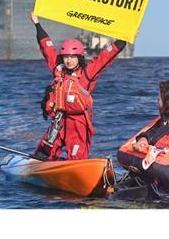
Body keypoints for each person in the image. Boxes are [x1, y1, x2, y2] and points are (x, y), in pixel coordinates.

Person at [30, 12, 126, 160]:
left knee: (76, 158)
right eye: (66, 57)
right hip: (59, 122)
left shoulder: (87, 73)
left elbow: (105, 57)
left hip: (78, 124)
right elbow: (47, 47)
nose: (69, 61)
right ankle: (41, 165)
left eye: (72, 57)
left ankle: (74, 170)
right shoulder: (58, 69)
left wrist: (124, 39)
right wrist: (37, 24)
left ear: (79, 58)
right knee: (41, 154)